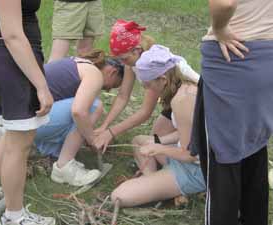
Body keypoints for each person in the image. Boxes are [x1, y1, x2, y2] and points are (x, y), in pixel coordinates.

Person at [189, 1, 273, 225]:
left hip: (234, 58)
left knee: (223, 159)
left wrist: (220, 28)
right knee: (254, 147)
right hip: (267, 55)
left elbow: (224, 2)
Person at [0, 0, 55, 225]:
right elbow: (12, 35)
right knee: (19, 144)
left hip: (3, 57)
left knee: (12, 136)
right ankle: (14, 216)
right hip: (10, 60)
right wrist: (42, 86)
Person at [0, 50, 125, 187]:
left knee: (77, 125)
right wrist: (92, 140)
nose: (108, 90)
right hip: (30, 119)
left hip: (19, 116)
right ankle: (64, 167)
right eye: (114, 85)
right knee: (95, 106)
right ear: (112, 72)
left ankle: (12, 137)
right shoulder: (94, 74)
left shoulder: (77, 63)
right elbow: (78, 112)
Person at [111, 45, 205, 207]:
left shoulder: (182, 100)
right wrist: (159, 140)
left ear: (162, 79)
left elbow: (191, 154)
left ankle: (162, 185)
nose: (148, 90)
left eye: (148, 85)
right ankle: (156, 181)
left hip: (199, 169)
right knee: (139, 140)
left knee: (119, 196)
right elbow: (187, 134)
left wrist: (159, 148)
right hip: (187, 156)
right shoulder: (185, 86)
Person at [93, 19, 200, 152]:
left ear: (137, 50)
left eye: (124, 58)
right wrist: (105, 125)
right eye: (119, 59)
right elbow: (122, 96)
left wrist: (111, 132)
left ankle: (180, 163)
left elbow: (145, 112)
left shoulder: (152, 68)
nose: (122, 63)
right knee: (157, 136)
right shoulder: (130, 62)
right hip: (172, 101)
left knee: (167, 142)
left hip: (188, 102)